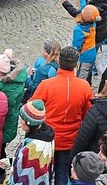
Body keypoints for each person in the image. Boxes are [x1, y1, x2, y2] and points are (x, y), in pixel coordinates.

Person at [32, 47, 93, 185]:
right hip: (70, 140)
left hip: (47, 139)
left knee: (43, 172)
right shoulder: (84, 87)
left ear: (59, 61)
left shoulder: (46, 85)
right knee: (63, 172)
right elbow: (88, 115)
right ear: (76, 64)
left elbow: (32, 109)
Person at [0, 50, 27, 183]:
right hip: (7, 124)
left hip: (4, 126)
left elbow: (2, 110)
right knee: (0, 148)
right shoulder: (12, 82)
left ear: (2, 71)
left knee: (0, 149)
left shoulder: (6, 88)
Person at [3, 100, 55, 185]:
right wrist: (9, 161)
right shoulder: (46, 136)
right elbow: (25, 161)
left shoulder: (35, 149)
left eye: (22, 119)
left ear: (29, 122)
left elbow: (26, 179)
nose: (20, 121)